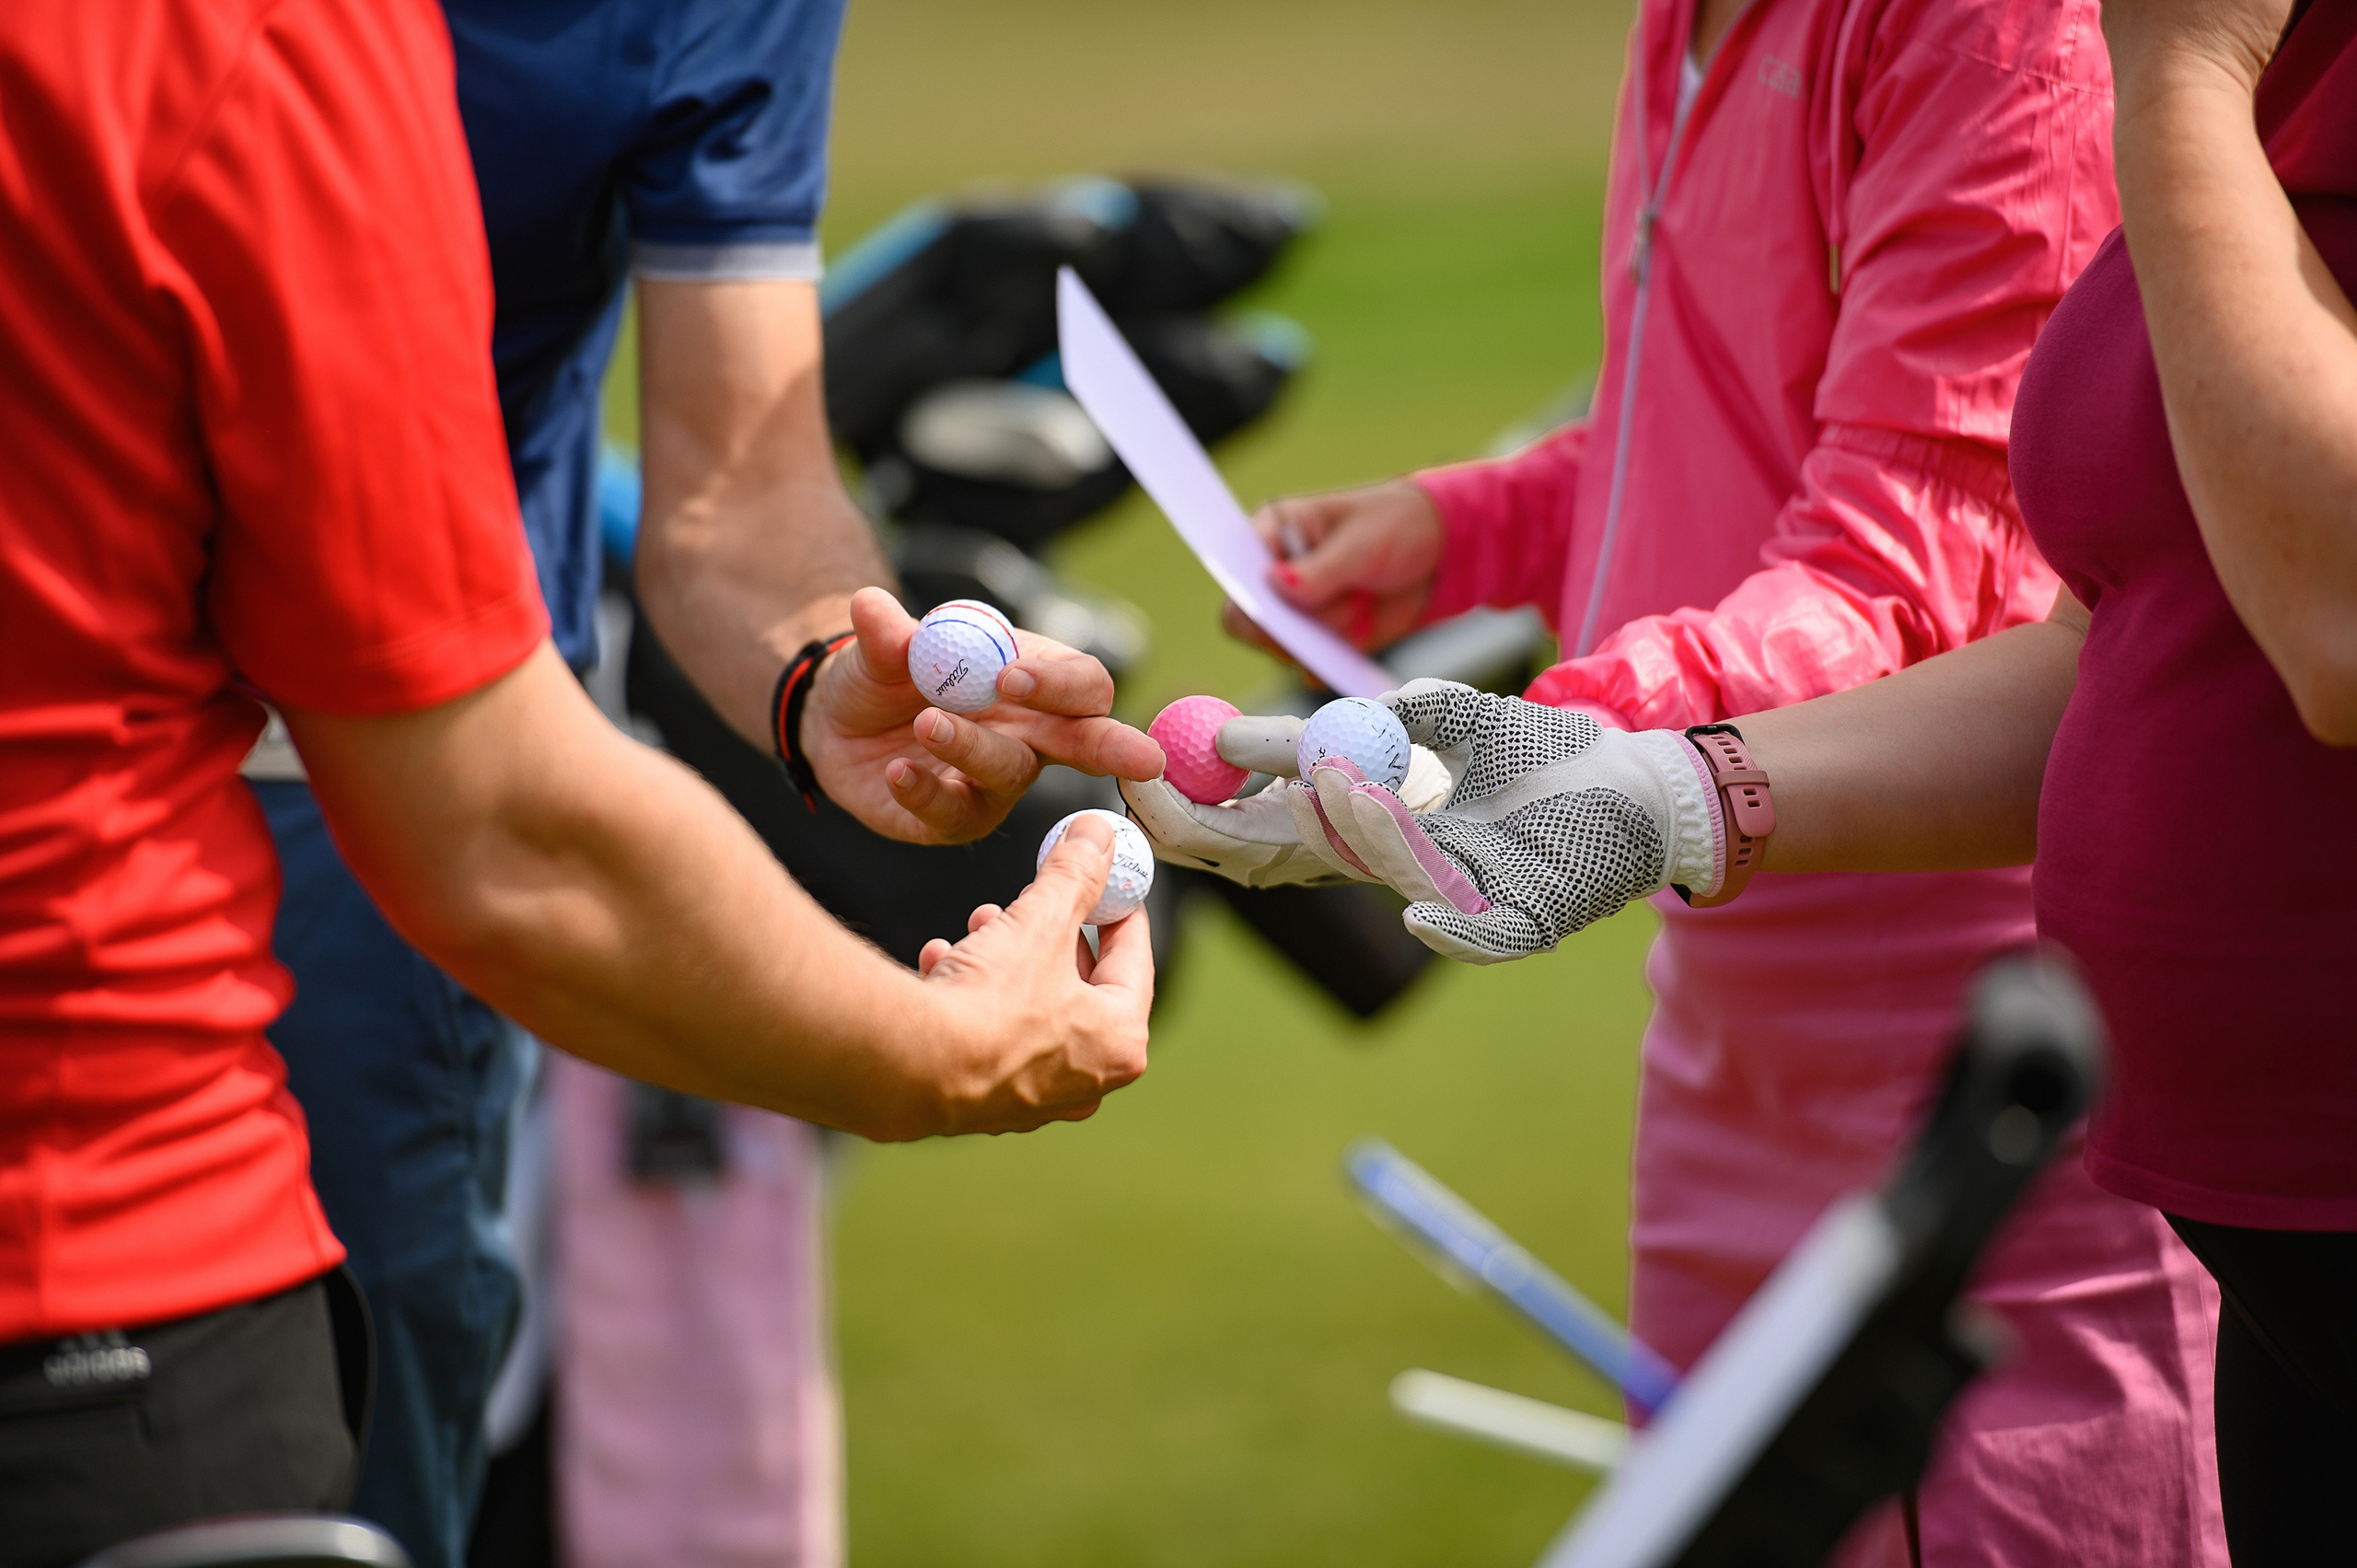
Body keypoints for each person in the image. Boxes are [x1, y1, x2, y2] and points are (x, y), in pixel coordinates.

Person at [0, 4, 1155, 1565]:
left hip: (398, 810)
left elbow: (737, 482)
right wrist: (945, 1054)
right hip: (283, 874)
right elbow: (508, 835)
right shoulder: (269, 42)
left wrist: (822, 672)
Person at [1126, 0, 2232, 1561]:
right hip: (1721, 1010)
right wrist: (1465, 527)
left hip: (1982, 1035)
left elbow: (1915, 547)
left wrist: (1569, 741)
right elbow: (1716, 417)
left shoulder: (1995, 29)